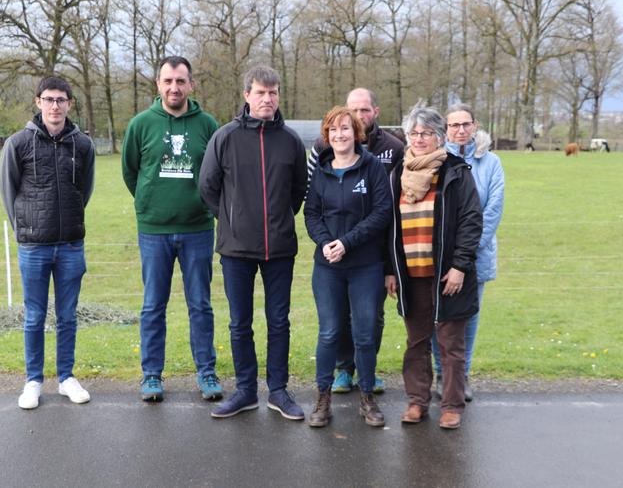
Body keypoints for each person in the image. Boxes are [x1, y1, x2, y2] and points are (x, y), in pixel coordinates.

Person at [199, 65, 307, 420]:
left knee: (279, 322)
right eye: (260, 92)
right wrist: (232, 221)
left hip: (279, 249)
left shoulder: (290, 140)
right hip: (236, 250)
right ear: (247, 95)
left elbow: (298, 191)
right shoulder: (225, 137)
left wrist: (278, 220)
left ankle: (278, 390)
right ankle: (245, 390)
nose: (267, 99)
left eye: (273, 93)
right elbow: (208, 187)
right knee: (239, 322)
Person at [122, 56, 221, 402]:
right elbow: (131, 172)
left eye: (180, 81)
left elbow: (217, 174)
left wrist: (202, 206)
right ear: (158, 85)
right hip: (154, 231)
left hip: (197, 229)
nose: (174, 87)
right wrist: (151, 203)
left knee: (200, 305)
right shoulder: (141, 124)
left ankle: (207, 372)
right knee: (152, 306)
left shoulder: (208, 124)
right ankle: (151, 375)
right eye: (167, 81)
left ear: (191, 85)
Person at [0, 76, 95, 410]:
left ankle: (66, 377)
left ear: (70, 103)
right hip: (34, 247)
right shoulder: (18, 143)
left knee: (68, 315)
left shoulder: (82, 145)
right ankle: (33, 381)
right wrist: (25, 229)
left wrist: (69, 220)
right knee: (34, 316)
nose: (55, 106)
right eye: (49, 99)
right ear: (38, 102)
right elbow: (8, 193)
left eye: (61, 100)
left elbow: (86, 189)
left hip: (70, 245)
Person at [385, 104, 482, 429]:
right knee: (416, 342)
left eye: (427, 133)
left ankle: (452, 405)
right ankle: (416, 401)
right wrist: (391, 270)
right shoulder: (397, 173)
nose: (420, 138)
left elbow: (471, 220)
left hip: (447, 274)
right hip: (411, 275)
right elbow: (389, 227)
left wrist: (459, 267)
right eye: (414, 132)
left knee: (450, 343)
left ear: (440, 137)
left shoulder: (456, 171)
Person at [307, 88, 404, 394]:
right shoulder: (321, 168)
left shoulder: (374, 164)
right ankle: (331, 384)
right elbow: (312, 213)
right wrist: (325, 242)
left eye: (345, 128)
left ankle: (367, 386)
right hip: (328, 265)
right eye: (333, 130)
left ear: (357, 131)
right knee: (331, 331)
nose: (339, 135)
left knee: (366, 328)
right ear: (327, 135)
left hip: (366, 262)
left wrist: (347, 243)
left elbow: (382, 212)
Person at [431, 104, 505, 402]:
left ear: (475, 125)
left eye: (466, 124)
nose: (460, 130)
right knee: (441, 317)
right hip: (442, 258)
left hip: (477, 256)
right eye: (454, 125)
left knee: (469, 318)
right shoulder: (437, 160)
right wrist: (450, 255)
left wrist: (467, 253)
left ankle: (461, 375)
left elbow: (493, 209)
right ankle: (441, 373)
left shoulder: (491, 163)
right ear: (446, 129)